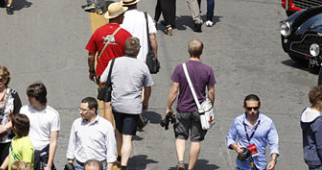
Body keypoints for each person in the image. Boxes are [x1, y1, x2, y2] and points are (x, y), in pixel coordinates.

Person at [100, 35, 153, 170]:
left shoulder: (114, 62)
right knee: (128, 137)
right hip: (133, 106)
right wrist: (145, 102)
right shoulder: (142, 66)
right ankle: (124, 165)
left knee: (118, 131)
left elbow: (102, 79)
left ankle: (118, 155)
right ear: (137, 50)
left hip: (117, 104)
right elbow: (148, 87)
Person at [165, 40, 216, 170]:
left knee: (181, 136)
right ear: (201, 51)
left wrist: (168, 107)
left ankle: (181, 162)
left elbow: (174, 90)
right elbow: (211, 91)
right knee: (196, 140)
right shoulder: (207, 70)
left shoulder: (180, 68)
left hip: (183, 108)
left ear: (188, 51)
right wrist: (210, 106)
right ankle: (190, 168)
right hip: (199, 111)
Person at [226, 94, 280, 170]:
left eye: (255, 108)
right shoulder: (238, 121)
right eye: (249, 108)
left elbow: (274, 143)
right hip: (242, 166)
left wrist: (273, 160)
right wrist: (235, 147)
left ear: (259, 107)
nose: (252, 111)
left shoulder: (267, 122)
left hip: (260, 165)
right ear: (244, 107)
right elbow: (230, 137)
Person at [66, 97, 117, 170]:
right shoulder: (76, 123)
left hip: (98, 167)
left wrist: (109, 167)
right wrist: (70, 163)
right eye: (80, 109)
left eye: (84, 110)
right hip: (79, 166)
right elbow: (72, 144)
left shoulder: (106, 126)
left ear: (93, 110)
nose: (80, 112)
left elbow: (111, 149)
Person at [20, 83, 60, 170]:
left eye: (30, 96)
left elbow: (53, 141)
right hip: (27, 152)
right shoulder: (24, 110)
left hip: (43, 153)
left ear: (37, 98)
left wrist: (49, 165)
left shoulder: (53, 115)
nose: (27, 98)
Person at [121, 0, 158, 71]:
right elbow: (152, 38)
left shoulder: (121, 19)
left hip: (126, 60)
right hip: (143, 60)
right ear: (136, 4)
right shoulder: (145, 16)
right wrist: (155, 55)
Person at [300, 85, 322, 170]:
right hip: (319, 162)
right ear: (318, 100)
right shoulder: (318, 121)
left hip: (310, 158)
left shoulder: (305, 113)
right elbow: (321, 145)